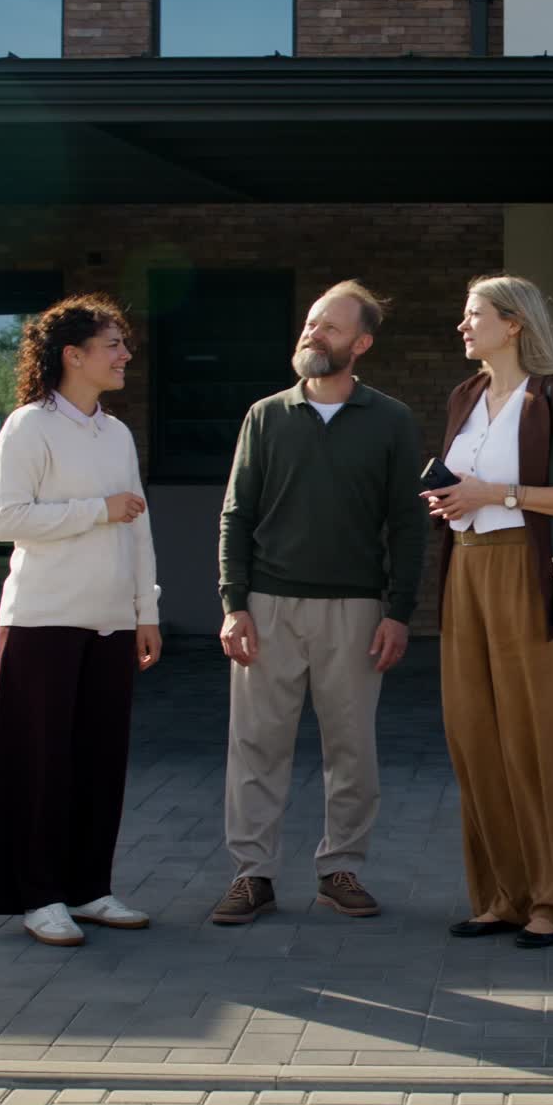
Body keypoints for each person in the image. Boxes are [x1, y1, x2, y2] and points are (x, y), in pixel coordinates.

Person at [213, 280, 425, 925]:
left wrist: (398, 611)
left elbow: (407, 525)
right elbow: (235, 514)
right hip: (267, 605)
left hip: (356, 612)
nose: (313, 334)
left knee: (352, 749)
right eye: (310, 323)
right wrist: (233, 601)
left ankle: (342, 869)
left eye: (330, 328)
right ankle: (253, 875)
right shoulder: (266, 415)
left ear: (360, 344)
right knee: (256, 746)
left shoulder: (390, 421)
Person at [0, 293, 161, 946]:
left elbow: (137, 528)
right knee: (42, 761)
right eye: (113, 345)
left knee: (99, 760)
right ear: (73, 356)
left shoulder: (117, 433)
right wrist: (94, 509)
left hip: (110, 623)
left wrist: (147, 610)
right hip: (42, 622)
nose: (124, 355)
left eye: (124, 344)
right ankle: (38, 896)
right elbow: (3, 519)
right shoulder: (29, 427)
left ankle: (89, 888)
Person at [423, 273, 553, 949]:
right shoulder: (465, 395)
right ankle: (500, 895)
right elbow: (469, 487)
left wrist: (498, 493)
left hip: (526, 572)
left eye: (475, 315)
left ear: (514, 322)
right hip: (464, 568)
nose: (464, 325)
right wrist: (451, 499)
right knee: (475, 734)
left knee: (543, 737)